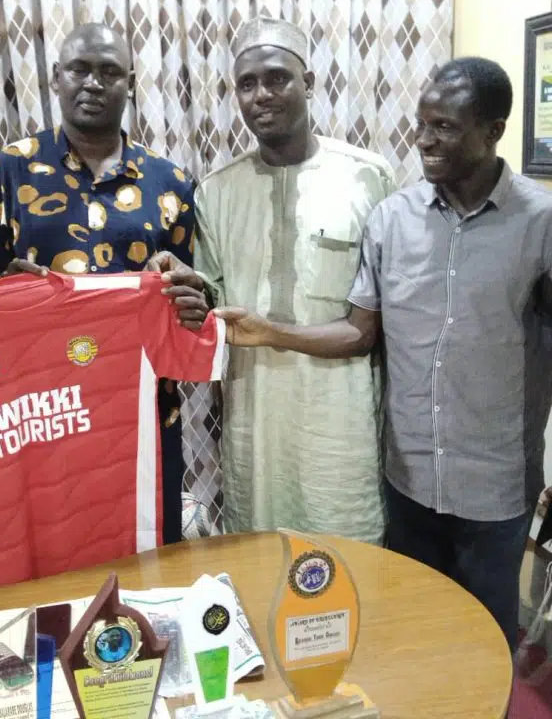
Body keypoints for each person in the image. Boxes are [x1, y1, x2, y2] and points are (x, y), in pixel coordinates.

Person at [215, 56, 552, 652]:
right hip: (409, 478)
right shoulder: (392, 219)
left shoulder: (542, 223)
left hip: (496, 483)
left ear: (493, 131)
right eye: (421, 123)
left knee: (484, 643)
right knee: (409, 634)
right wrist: (268, 332)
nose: (424, 140)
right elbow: (359, 332)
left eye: (444, 127)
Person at [0, 23, 207, 544]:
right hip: (42, 411)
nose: (93, 83)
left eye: (109, 72)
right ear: (56, 77)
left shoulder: (170, 181)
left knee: (151, 552)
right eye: (79, 69)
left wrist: (191, 296)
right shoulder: (11, 168)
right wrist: (4, 291)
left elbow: (195, 291)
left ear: (130, 82)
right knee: (52, 552)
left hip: (144, 408)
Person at [194, 17, 395, 543]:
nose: (261, 94)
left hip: (341, 420)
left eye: (277, 78)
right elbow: (208, 303)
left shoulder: (368, 177)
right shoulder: (216, 191)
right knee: (259, 552)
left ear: (308, 83)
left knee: (348, 553)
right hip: (254, 415)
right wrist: (181, 287)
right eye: (247, 84)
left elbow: (386, 318)